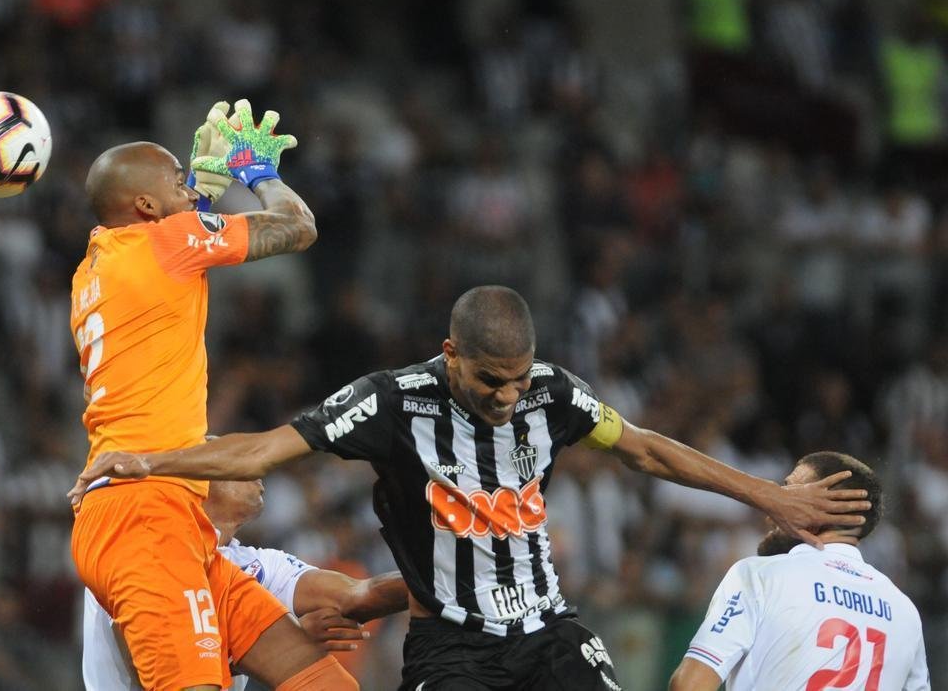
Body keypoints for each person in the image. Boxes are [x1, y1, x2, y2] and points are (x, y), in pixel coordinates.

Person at [69, 285, 872, 690]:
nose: (507, 397)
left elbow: (649, 451)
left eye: (518, 380)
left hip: (547, 627)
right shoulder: (391, 400)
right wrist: (150, 460)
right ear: (450, 353)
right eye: (491, 380)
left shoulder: (553, 393)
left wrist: (768, 494)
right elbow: (266, 450)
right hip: (452, 647)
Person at [70, 98, 357, 691]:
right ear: (147, 205)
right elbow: (297, 226)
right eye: (179, 181)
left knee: (326, 684)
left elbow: (165, 250)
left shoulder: (96, 263)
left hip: (160, 513)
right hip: (145, 514)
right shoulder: (168, 242)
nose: (193, 188)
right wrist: (259, 173)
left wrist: (193, 194)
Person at [82, 476, 409, 690]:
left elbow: (355, 594)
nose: (257, 469)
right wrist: (274, 646)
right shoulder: (142, 549)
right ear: (200, 483)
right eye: (238, 464)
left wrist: (445, 582)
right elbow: (145, 670)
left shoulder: (257, 563)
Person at [669, 452, 930, 691]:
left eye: (789, 491)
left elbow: (689, 685)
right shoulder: (905, 612)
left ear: (819, 508)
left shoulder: (760, 577)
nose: (773, 506)